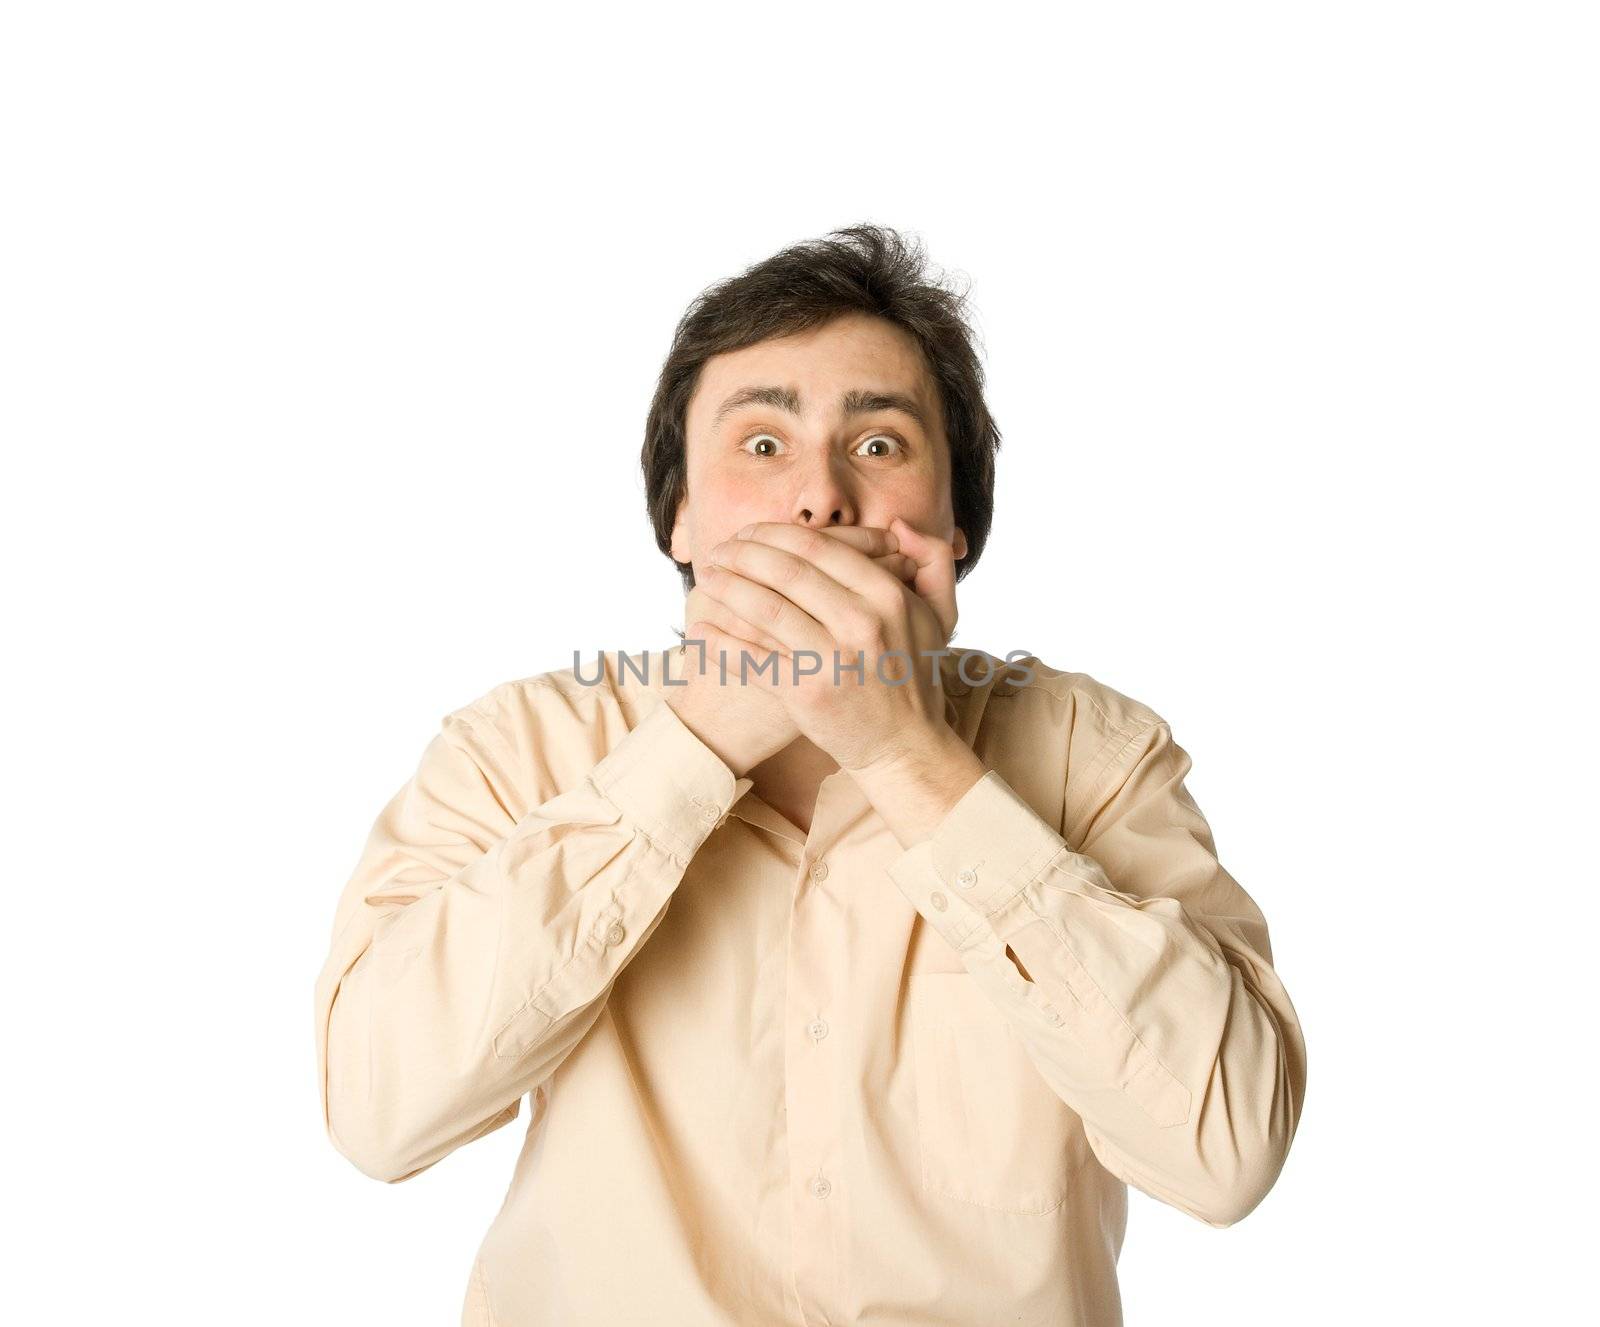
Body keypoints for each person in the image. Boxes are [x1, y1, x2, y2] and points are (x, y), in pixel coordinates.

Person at [313, 223, 1308, 1326]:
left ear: (955, 523)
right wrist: (693, 747)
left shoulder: (1097, 754)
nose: (819, 499)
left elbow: (1224, 1153)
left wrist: (907, 756)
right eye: (761, 444)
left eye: (878, 445)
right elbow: (377, 1112)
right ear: (680, 515)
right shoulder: (515, 750)